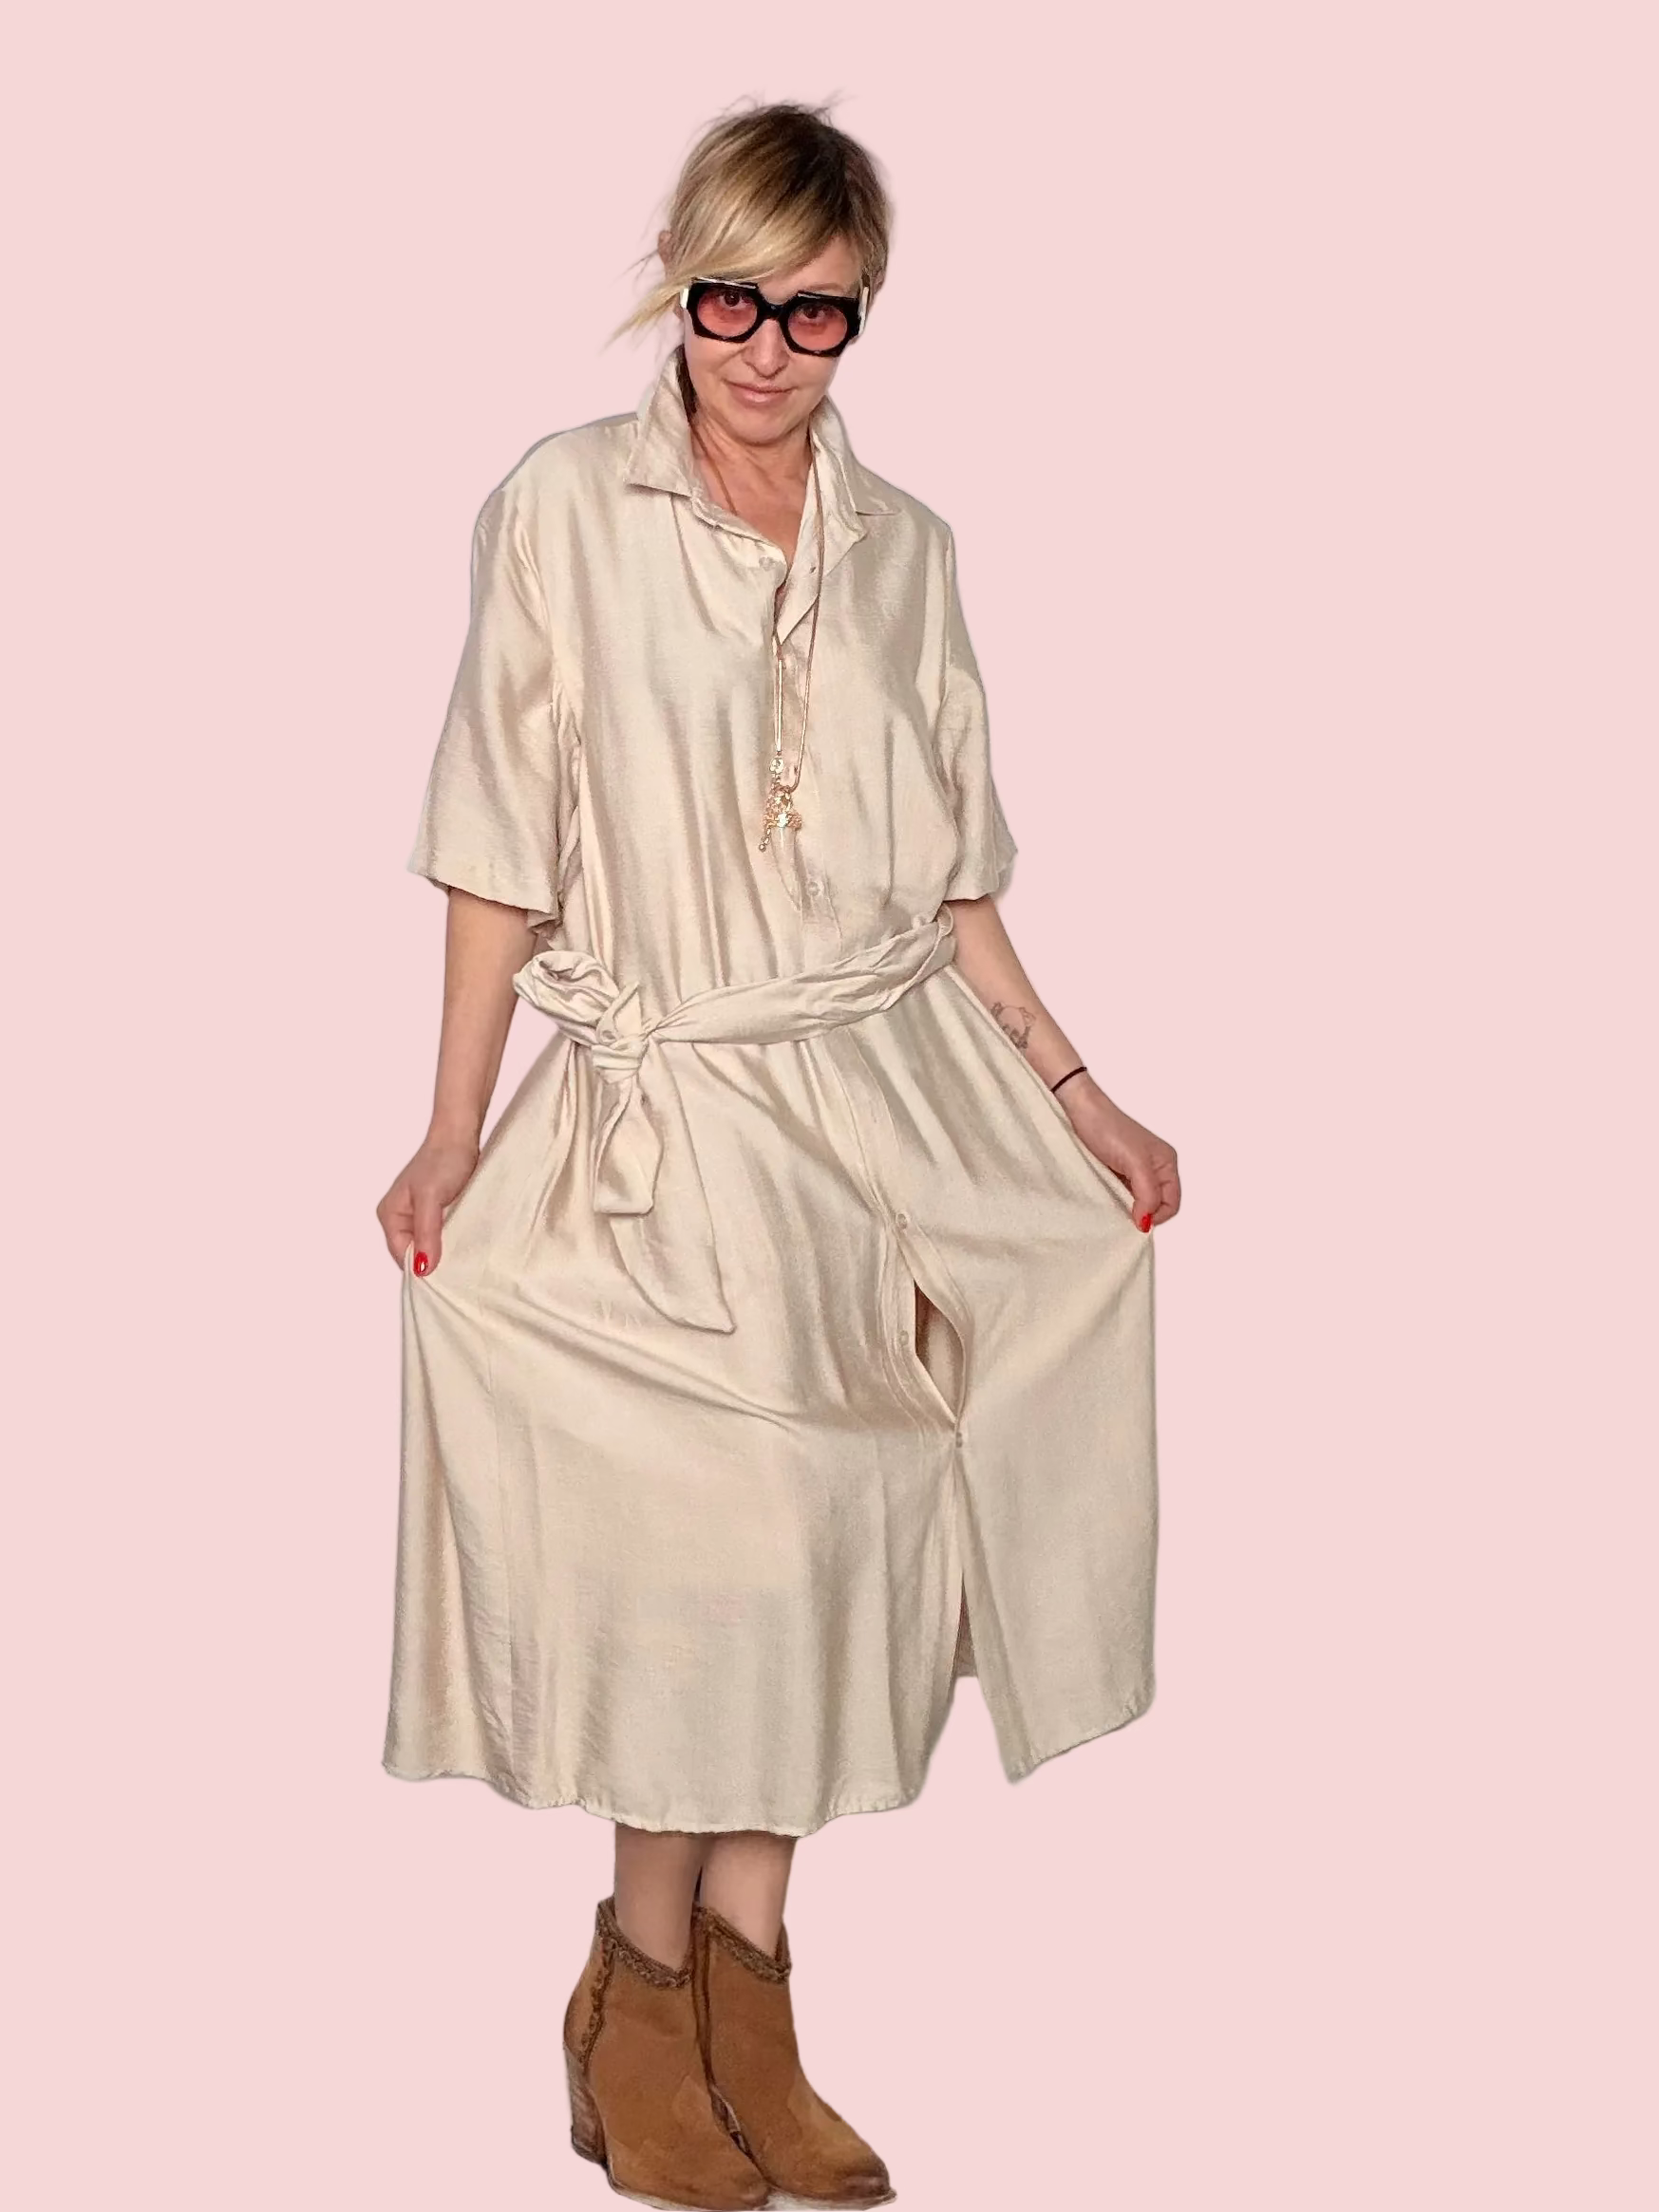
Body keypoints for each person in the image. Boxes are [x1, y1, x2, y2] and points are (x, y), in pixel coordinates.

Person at [375, 100, 1179, 2212]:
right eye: (730, 301)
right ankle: (642, 2001)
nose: (764, 349)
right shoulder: (564, 506)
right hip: (671, 1113)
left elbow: (951, 875)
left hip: (876, 1103)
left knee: (837, 1533)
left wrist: (1075, 1088)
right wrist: (451, 1128)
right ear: (679, 283)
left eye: (815, 314)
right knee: (717, 1553)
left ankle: (747, 2003)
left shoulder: (905, 548)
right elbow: (496, 841)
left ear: (862, 315)